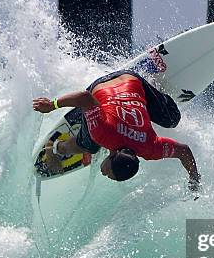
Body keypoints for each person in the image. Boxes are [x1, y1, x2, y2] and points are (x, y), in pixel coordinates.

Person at [32, 70, 201, 192]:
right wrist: (52, 105)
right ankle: (56, 147)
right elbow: (84, 98)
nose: (105, 174)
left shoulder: (152, 148)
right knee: (88, 146)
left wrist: (194, 178)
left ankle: (155, 86)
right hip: (98, 87)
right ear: (112, 156)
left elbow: (183, 151)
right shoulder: (102, 133)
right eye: (109, 173)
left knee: (172, 120)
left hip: (131, 78)